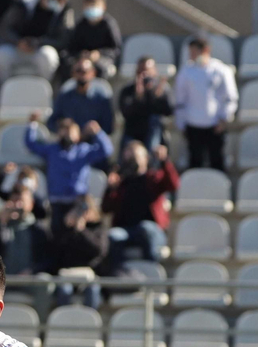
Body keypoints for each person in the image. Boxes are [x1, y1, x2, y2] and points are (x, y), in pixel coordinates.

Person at [24, 112, 113, 227]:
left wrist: (97, 132)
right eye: (63, 130)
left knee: (77, 231)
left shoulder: (84, 151)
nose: (67, 134)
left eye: (70, 131)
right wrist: (32, 124)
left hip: (78, 201)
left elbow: (107, 150)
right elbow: (31, 144)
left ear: (77, 135)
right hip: (56, 201)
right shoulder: (51, 150)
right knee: (57, 231)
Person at [102, 142, 177, 269]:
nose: (131, 161)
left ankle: (151, 272)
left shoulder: (153, 178)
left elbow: (173, 184)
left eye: (134, 157)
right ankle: (120, 274)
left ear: (145, 158)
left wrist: (164, 161)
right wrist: (110, 189)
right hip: (127, 231)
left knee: (145, 228)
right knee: (113, 236)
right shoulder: (121, 184)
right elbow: (105, 208)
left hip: (152, 230)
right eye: (128, 158)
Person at [0, 0, 73, 84]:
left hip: (39, 51)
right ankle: (5, 90)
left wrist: (39, 42)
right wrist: (18, 42)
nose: (64, 0)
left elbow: (63, 39)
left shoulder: (65, 11)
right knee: (1, 55)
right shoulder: (25, 2)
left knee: (48, 56)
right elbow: (4, 28)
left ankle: (41, 90)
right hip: (17, 48)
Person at [173, 36, 237, 171]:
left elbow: (230, 98)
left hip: (215, 126)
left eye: (194, 52)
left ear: (206, 50)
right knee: (195, 163)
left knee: (217, 162)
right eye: (190, 52)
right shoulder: (186, 71)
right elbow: (180, 99)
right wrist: (181, 123)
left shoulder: (221, 70)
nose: (191, 55)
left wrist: (224, 119)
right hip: (193, 125)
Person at [0, 186, 50, 277]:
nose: (17, 206)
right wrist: (0, 222)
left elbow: (47, 260)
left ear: (31, 204)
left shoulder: (38, 230)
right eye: (14, 201)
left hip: (30, 279)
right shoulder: (1, 227)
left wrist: (32, 271)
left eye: (21, 201)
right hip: (4, 280)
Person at [61, 0, 120, 80]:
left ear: (103, 7)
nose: (91, 9)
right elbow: (71, 48)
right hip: (82, 59)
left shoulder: (109, 25)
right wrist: (81, 54)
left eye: (94, 5)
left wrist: (98, 54)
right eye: (88, 6)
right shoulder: (80, 25)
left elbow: (116, 49)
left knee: (100, 69)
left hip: (103, 59)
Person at [118, 56, 173, 153]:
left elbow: (168, 111)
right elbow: (126, 113)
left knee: (154, 120)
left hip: (155, 136)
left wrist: (157, 97)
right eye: (141, 71)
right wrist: (138, 97)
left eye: (147, 71)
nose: (144, 75)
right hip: (133, 133)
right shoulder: (128, 90)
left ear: (155, 72)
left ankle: (150, 157)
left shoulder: (161, 89)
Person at [49, 57, 114, 132]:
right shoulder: (65, 96)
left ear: (93, 73)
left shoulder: (101, 97)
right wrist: (63, 125)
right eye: (78, 71)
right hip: (70, 138)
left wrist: (95, 129)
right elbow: (51, 123)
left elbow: (108, 127)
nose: (82, 74)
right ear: (73, 73)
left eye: (85, 71)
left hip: (92, 138)